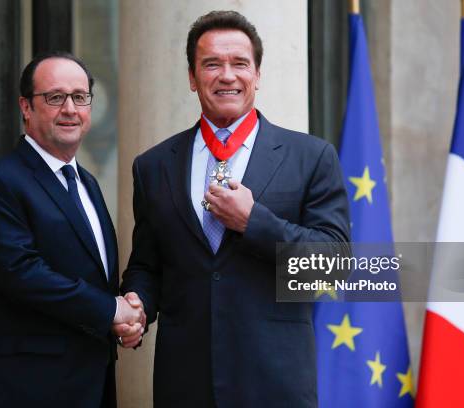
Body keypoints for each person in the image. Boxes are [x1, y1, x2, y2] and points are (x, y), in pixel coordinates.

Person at [120, 11, 350, 408]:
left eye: (239, 64)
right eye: (212, 64)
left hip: (275, 383)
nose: (227, 75)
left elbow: (332, 266)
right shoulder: (153, 165)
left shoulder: (311, 157)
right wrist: (138, 304)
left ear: (257, 75)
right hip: (184, 383)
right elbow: (148, 264)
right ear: (192, 78)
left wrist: (254, 222)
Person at [0, 52, 145, 407]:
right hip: (23, 387)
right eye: (55, 97)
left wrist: (123, 318)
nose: (71, 109)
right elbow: (22, 273)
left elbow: (93, 275)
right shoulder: (0, 182)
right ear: (26, 107)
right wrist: (110, 310)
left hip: (89, 383)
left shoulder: (86, 182)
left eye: (80, 96)